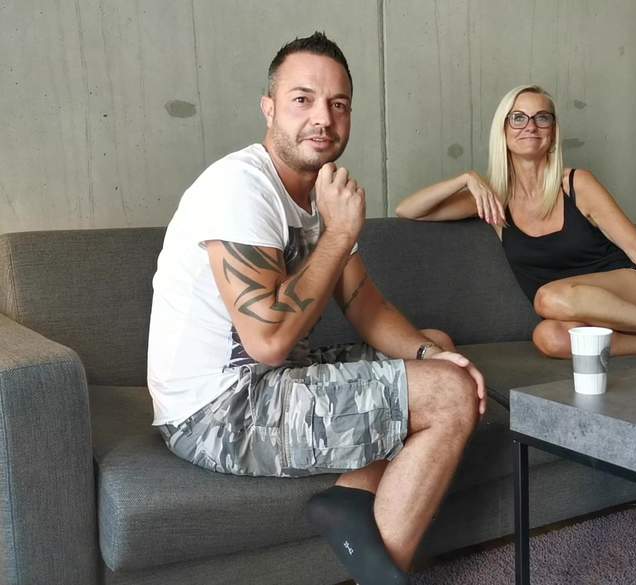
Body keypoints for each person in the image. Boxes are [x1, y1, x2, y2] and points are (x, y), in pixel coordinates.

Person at [147, 32, 485, 585]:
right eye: (302, 99)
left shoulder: (314, 196)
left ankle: (350, 498)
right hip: (218, 412)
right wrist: (341, 232)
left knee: (438, 349)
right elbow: (268, 343)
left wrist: (430, 354)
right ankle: (383, 576)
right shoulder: (241, 188)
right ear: (269, 107)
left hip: (273, 382)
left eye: (338, 104)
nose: (322, 118)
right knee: (447, 395)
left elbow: (364, 305)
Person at [396, 84, 636, 358]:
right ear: (503, 130)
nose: (530, 126)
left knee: (546, 298)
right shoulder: (493, 199)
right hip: (570, 308)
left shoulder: (576, 184)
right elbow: (408, 210)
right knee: (548, 337)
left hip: (631, 292)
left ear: (553, 131)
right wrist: (465, 178)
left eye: (542, 118)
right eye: (518, 118)